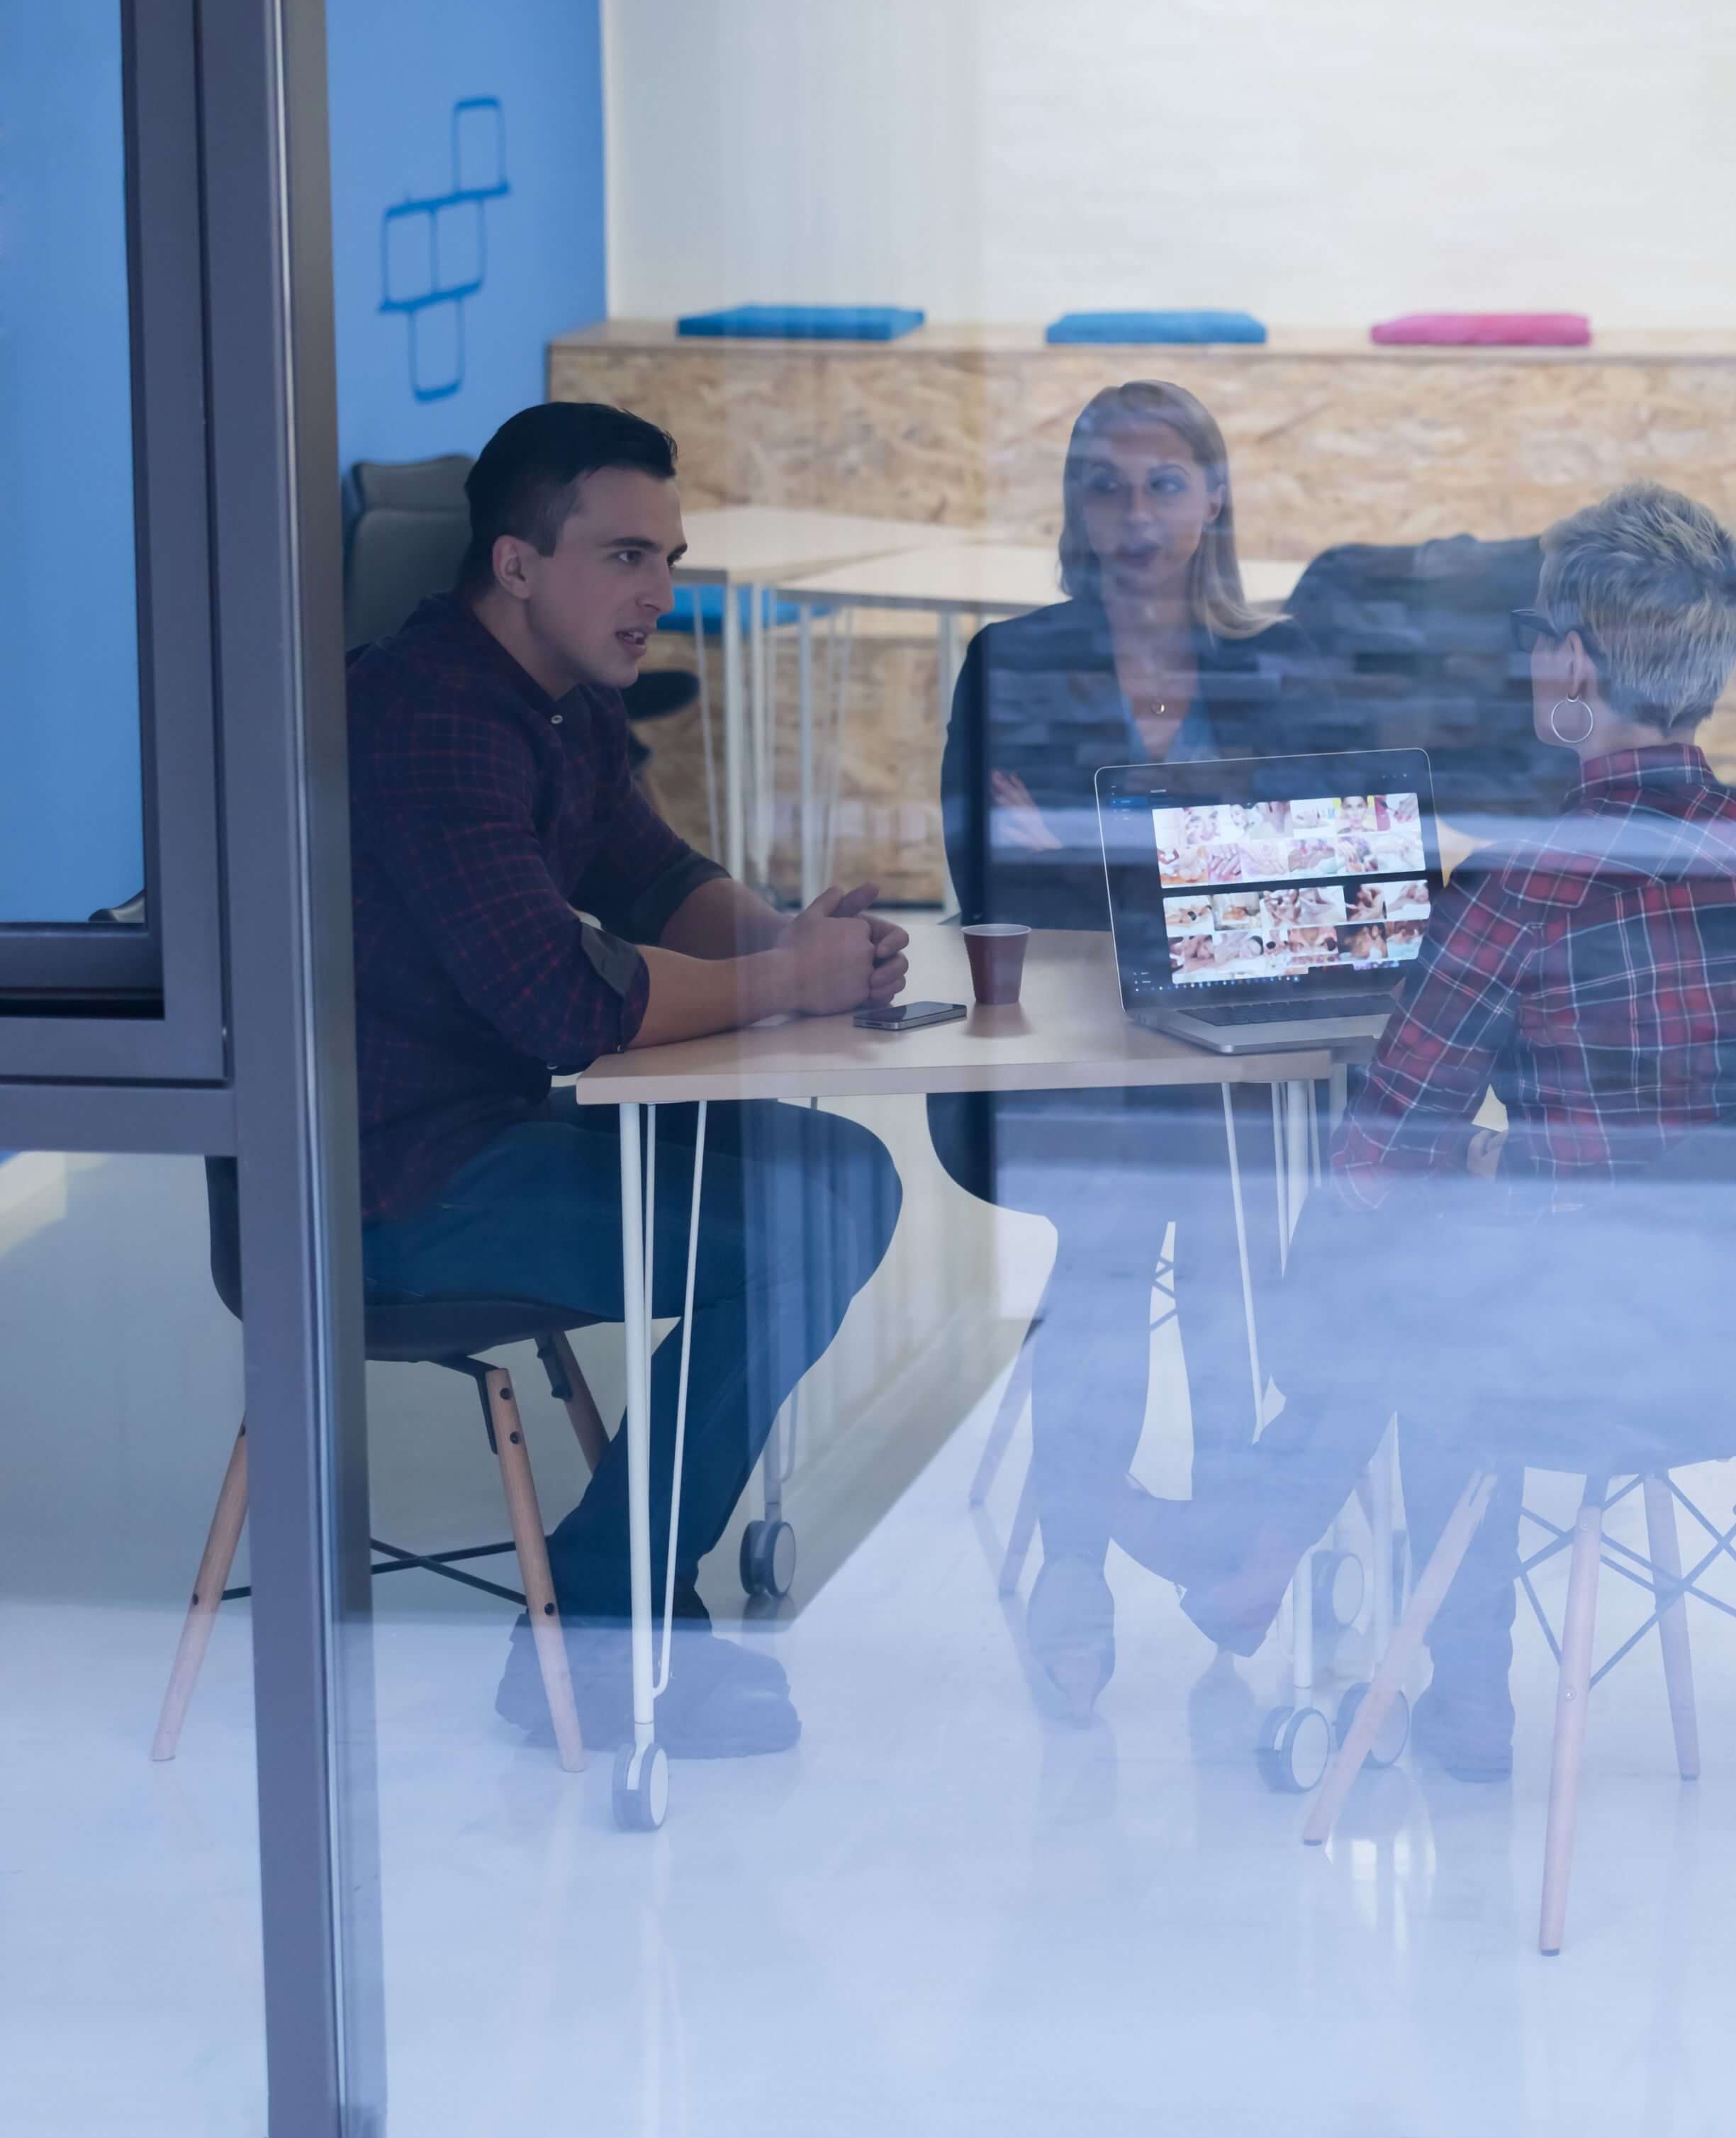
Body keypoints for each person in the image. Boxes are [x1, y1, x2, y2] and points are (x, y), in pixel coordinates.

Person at [1130, 483, 1736, 1781]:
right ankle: (1272, 1556)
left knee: (1410, 1250)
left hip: (1596, 1351)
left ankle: (1325, 1583)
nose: (1529, 657)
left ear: (1577, 663)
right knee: (1469, 1253)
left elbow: (1377, 1153)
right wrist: (1517, 1161)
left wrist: (1483, 1156)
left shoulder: (1522, 884)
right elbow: (1726, 1109)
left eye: (1538, 634)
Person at [350, 401, 908, 1759]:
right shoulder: (433, 721)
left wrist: (784, 940)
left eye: (668, 555)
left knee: (838, 1179)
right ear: (516, 564)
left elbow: (652, 877)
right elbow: (561, 1002)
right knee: (810, 1207)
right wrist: (795, 983)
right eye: (623, 556)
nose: (658, 592)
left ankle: (609, 1602)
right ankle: (605, 1623)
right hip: (395, 1187)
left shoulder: (558, 701)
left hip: (500, 1136)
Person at [931, 380, 1352, 1718]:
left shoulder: (1278, 670)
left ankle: (1228, 1536)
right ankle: (1082, 1567)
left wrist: (1094, 850)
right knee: (1125, 1229)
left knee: (1223, 1231)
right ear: (1075, 508)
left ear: (1215, 500)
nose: (1135, 515)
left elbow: (1303, 895)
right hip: (1067, 1066)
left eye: (1165, 485)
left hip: (1234, 1063)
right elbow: (984, 873)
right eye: (1106, 487)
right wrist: (1182, 874)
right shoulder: (1013, 661)